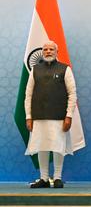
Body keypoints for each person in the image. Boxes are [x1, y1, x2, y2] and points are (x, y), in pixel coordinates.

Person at [24, 41, 77, 188]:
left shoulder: (64, 69)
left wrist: (69, 115)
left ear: (56, 52)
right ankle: (44, 178)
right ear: (42, 52)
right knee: (42, 145)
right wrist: (28, 116)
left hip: (59, 116)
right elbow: (28, 95)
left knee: (58, 146)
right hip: (38, 116)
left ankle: (58, 177)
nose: (48, 51)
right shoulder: (35, 69)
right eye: (45, 49)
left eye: (51, 49)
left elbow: (72, 94)